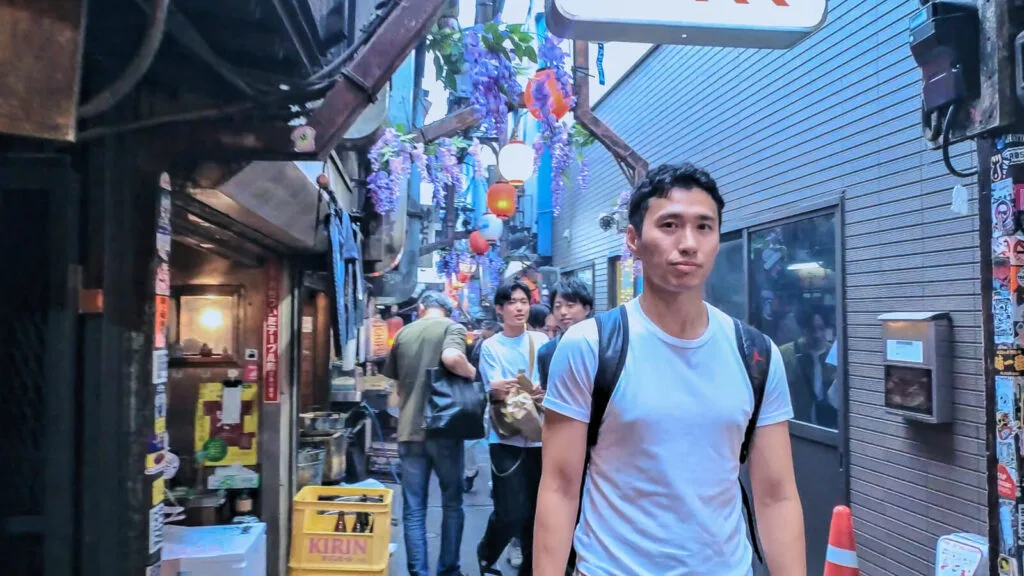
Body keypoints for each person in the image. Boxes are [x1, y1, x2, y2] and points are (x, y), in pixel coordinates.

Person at [534, 163, 806, 575]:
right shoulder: (591, 346)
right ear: (634, 240)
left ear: (717, 239)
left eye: (703, 227)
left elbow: (777, 495)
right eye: (669, 225)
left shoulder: (756, 354)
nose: (688, 243)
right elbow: (558, 486)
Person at [382, 292, 475, 576]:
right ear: (447, 311)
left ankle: (418, 572)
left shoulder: (404, 333)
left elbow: (396, 391)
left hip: (409, 431)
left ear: (422, 308)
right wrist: (472, 373)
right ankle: (448, 569)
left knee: (413, 508)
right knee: (452, 504)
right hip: (444, 431)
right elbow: (453, 356)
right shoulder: (452, 328)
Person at [477, 281, 550, 575]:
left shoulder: (542, 341)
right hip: (505, 437)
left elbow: (551, 382)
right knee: (510, 512)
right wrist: (496, 389)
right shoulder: (491, 347)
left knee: (536, 513)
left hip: (541, 438)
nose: (520, 307)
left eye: (523, 301)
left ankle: (529, 570)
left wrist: (543, 390)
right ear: (499, 309)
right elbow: (493, 389)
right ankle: (487, 550)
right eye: (512, 302)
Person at [780, 306, 837, 428]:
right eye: (811, 329)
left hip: (828, 427)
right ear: (803, 329)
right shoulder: (785, 354)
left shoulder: (834, 354)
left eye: (821, 329)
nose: (817, 335)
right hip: (798, 425)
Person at [465, 320, 501, 493]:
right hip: (477, 394)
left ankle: (496, 481)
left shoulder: (498, 346)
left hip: (496, 398)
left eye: (485, 329)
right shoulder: (479, 344)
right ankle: (470, 472)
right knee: (469, 440)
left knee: (495, 441)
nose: (482, 331)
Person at [537, 278, 594, 388]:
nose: (563, 312)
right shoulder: (546, 352)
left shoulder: (603, 345)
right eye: (558, 307)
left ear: (586, 309)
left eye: (570, 305)